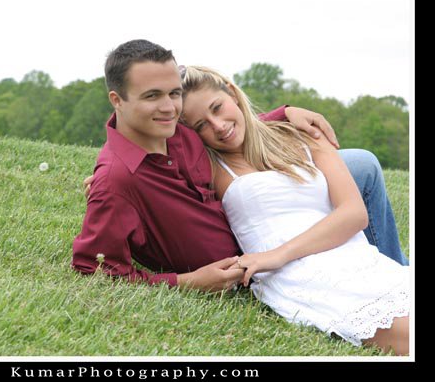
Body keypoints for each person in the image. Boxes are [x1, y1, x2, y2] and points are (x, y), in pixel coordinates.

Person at [72, 38, 406, 294]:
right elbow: (95, 268)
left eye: (173, 94)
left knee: (360, 164)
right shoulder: (117, 180)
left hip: (252, 214)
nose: (168, 107)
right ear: (118, 100)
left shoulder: (174, 129)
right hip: (247, 255)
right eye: (151, 96)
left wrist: (284, 113)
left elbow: (220, 123)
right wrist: (188, 281)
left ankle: (395, 271)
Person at [178, 65, 409, 355]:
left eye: (217, 107)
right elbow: (145, 126)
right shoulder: (209, 166)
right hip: (298, 277)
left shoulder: (302, 135)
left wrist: (277, 255)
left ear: (233, 93)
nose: (218, 126)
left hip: (349, 254)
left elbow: (354, 213)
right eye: (201, 125)